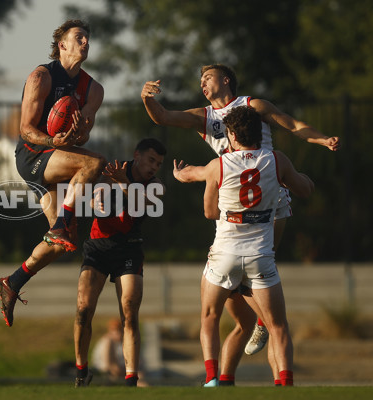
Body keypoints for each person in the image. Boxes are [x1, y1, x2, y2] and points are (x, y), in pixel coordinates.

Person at [142, 64, 339, 384]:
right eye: (200, 80)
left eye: (207, 77)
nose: (202, 83)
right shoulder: (203, 116)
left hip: (268, 195)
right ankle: (249, 355)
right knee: (257, 296)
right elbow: (163, 116)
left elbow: (292, 124)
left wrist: (321, 140)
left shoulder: (253, 106)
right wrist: (147, 98)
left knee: (258, 274)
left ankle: (239, 358)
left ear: (226, 80)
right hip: (236, 198)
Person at [177, 105, 314, 387]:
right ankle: (285, 384)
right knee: (277, 326)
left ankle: (212, 378)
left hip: (224, 255)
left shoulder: (220, 164)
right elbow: (304, 190)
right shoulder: (276, 160)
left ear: (231, 135)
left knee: (209, 316)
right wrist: (305, 181)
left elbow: (208, 212)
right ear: (259, 134)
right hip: (260, 256)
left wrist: (186, 176)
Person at [0, 20, 106, 327]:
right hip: (33, 154)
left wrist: (78, 133)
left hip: (59, 155)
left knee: (62, 242)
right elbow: (25, 129)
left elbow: (82, 136)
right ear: (62, 45)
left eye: (88, 37)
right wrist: (53, 139)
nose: (85, 42)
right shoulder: (41, 76)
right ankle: (60, 223)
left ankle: (12, 282)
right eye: (78, 37)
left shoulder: (93, 89)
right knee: (94, 163)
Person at [74, 138, 165, 387]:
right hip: (98, 246)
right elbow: (94, 196)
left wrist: (125, 184)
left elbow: (146, 203)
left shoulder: (155, 185)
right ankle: (81, 371)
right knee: (83, 309)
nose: (154, 167)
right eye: (151, 160)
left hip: (129, 248)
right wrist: (95, 201)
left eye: (158, 163)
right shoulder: (113, 170)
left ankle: (130, 381)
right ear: (137, 155)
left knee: (129, 312)